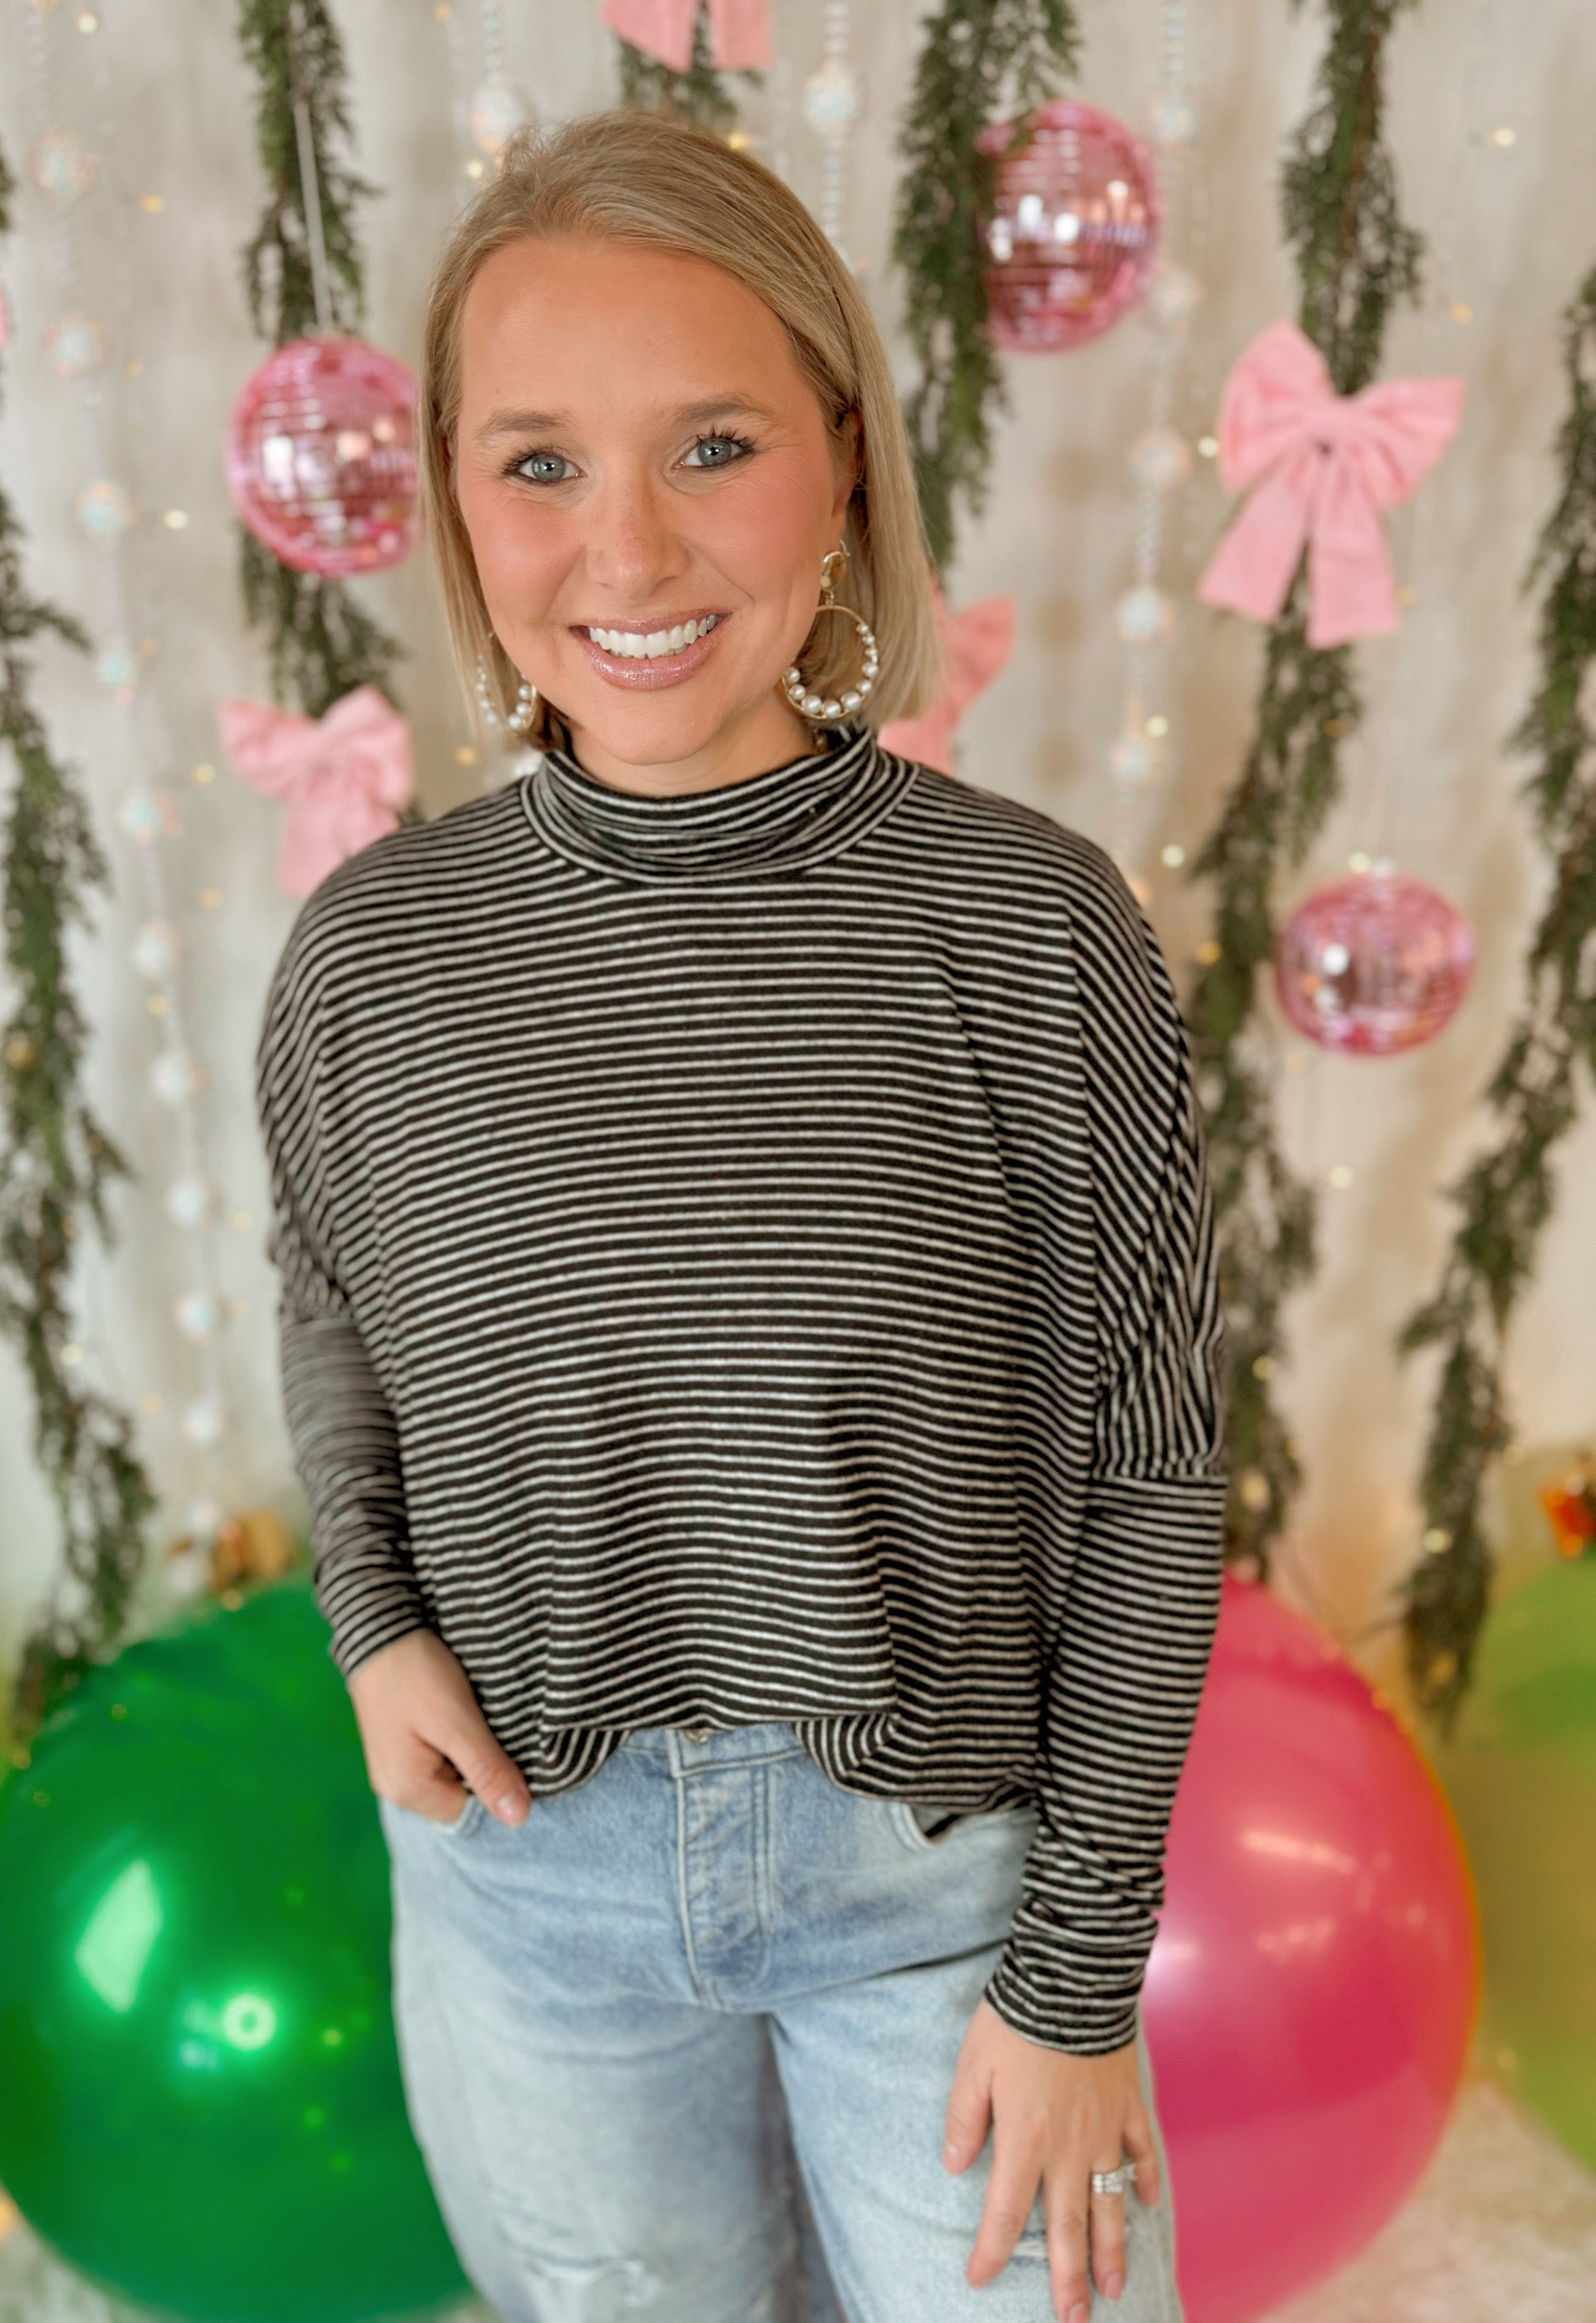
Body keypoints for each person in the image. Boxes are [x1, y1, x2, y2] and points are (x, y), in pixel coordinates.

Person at [255, 106, 1227, 2323]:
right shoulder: (373, 956)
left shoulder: (1029, 931)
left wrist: (1079, 1975)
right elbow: (334, 1297)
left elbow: (1153, 1469)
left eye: (713, 444)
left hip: (948, 1890)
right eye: (538, 462)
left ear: (845, 460)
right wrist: (373, 1618)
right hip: (530, 1879)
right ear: (453, 496)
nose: (626, 544)